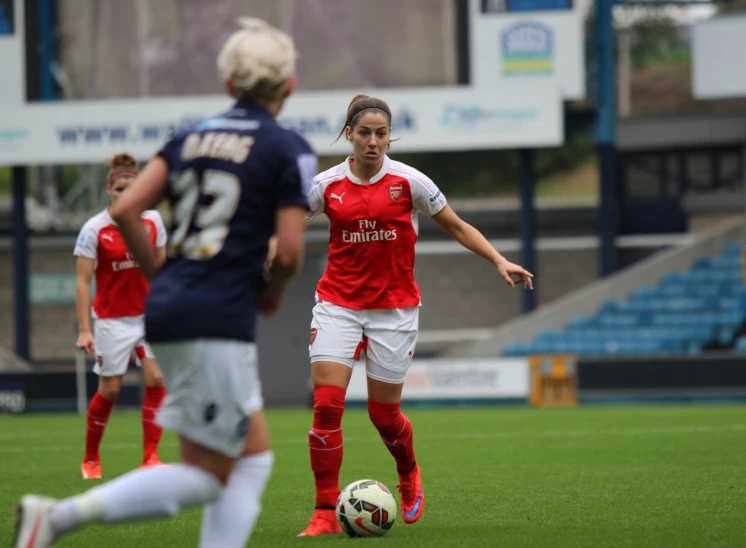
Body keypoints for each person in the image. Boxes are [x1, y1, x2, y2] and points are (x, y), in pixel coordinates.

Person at [14, 18, 312, 548]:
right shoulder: (287, 146)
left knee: (251, 458)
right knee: (211, 472)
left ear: (227, 86)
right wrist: (273, 292)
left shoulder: (190, 137)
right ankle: (55, 518)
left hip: (173, 306)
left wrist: (159, 274)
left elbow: (126, 208)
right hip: (216, 317)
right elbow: (288, 252)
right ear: (289, 86)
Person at [298, 94, 534, 537]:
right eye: (364, 133)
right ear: (348, 135)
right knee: (327, 407)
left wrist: (500, 260)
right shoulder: (325, 185)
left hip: (395, 311)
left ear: (390, 137)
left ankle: (408, 474)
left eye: (381, 134)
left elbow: (458, 226)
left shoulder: (410, 182)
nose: (373, 142)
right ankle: (325, 513)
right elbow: (287, 221)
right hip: (338, 306)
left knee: (383, 416)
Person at [73, 153, 167, 480]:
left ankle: (150, 457)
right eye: (120, 188)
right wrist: (85, 329)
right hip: (112, 320)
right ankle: (90, 458)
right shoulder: (94, 229)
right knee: (110, 390)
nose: (126, 194)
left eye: (132, 187)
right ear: (109, 189)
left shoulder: (153, 221)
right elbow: (84, 281)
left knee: (156, 379)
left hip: (148, 316)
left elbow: (160, 270)